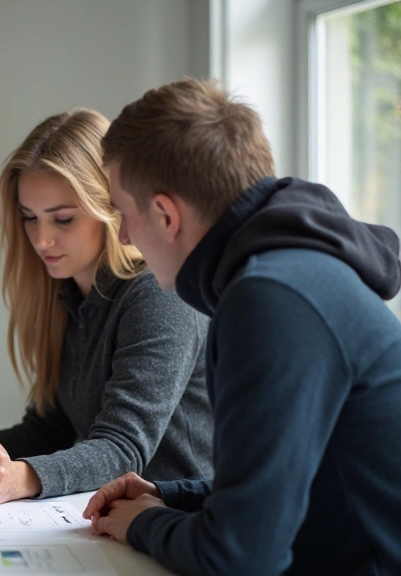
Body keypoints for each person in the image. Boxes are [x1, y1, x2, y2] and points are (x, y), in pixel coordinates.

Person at [83, 78, 401, 575]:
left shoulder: (272, 299)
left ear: (166, 214)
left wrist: (144, 524)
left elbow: (239, 557)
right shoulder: (288, 274)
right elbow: (296, 482)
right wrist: (168, 497)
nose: (122, 235)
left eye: (123, 213)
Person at [0, 109, 213, 505]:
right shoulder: (71, 297)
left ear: (110, 209)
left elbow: (122, 447)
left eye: (62, 219)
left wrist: (20, 479)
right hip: (119, 516)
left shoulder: (158, 297)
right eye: (29, 218)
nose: (41, 240)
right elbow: (52, 428)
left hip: (182, 518)